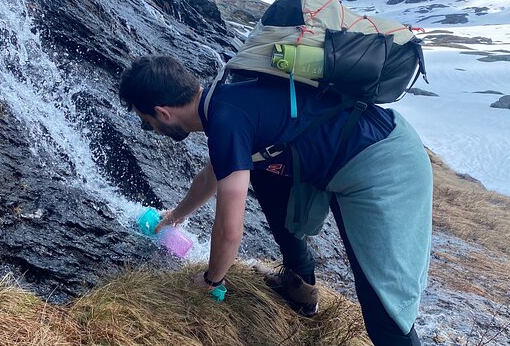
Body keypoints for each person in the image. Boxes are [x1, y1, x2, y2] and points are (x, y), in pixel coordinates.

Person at [119, 55, 432, 346]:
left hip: (383, 166)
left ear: (163, 112)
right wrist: (177, 215)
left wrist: (211, 280)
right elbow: (210, 176)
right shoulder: (226, 100)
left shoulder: (226, 121)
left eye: (148, 122)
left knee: (384, 308)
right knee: (262, 168)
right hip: (367, 145)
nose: (153, 129)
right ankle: (300, 285)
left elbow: (229, 230)